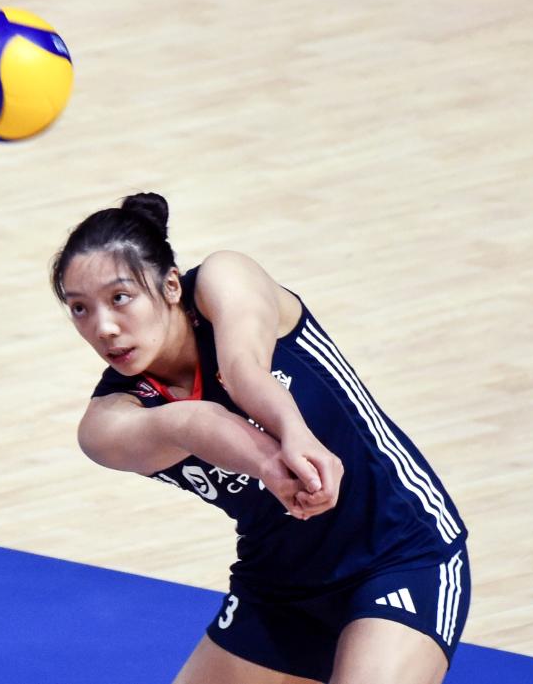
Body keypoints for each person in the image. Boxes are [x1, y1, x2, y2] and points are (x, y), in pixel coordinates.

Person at [50, 192, 470, 684]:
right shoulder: (107, 423)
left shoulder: (225, 280)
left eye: (120, 298)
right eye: (80, 309)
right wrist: (272, 465)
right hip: (277, 589)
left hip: (400, 551)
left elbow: (243, 369)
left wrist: (295, 435)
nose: (103, 327)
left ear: (170, 286)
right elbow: (194, 423)